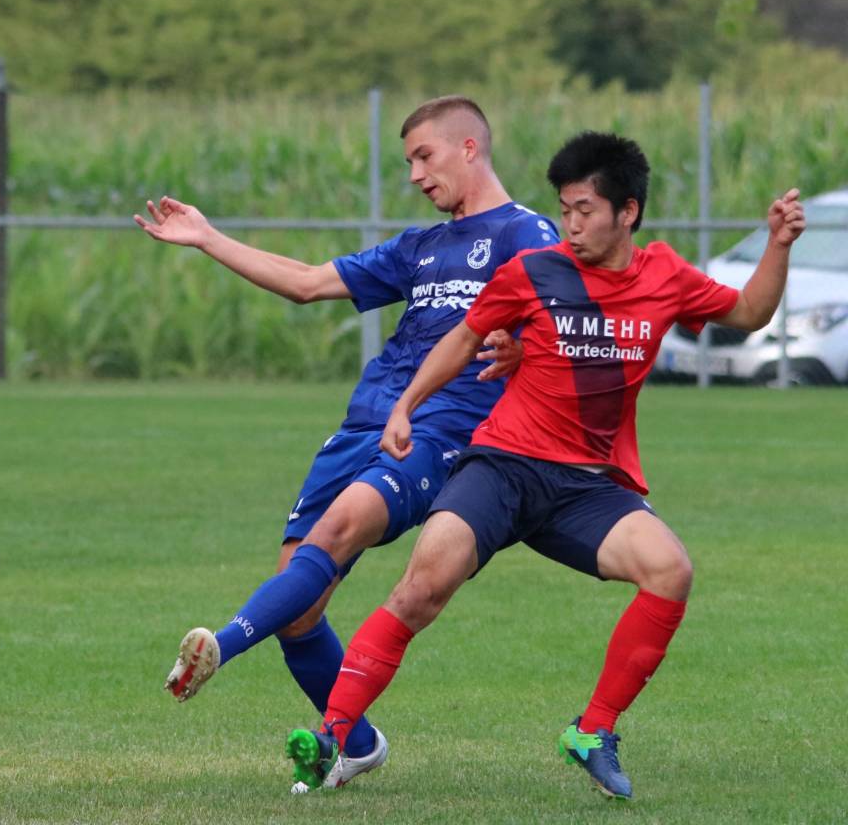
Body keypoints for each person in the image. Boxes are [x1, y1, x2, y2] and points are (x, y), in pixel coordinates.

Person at [284, 131, 806, 800]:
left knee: (670, 571)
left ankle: (593, 732)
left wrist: (778, 245)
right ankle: (332, 734)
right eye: (564, 209)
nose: (571, 224)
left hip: (586, 485)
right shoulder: (533, 271)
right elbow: (466, 335)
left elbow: (750, 311)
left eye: (585, 209)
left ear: (628, 212)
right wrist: (406, 404)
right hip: (501, 467)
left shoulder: (665, 277)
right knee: (423, 586)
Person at [134, 96, 559, 790]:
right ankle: (356, 745)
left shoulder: (525, 233)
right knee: (299, 608)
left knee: (338, 530)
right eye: (409, 162)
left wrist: (524, 347)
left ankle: (221, 644)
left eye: (425, 156)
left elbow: (571, 317)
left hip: (442, 426)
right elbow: (306, 284)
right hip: (363, 422)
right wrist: (209, 238)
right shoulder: (419, 246)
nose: (416, 174)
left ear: (470, 148)